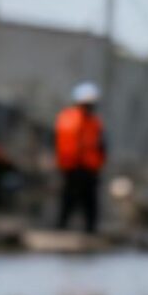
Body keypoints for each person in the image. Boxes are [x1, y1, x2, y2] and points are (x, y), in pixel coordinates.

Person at [54, 81, 107, 234]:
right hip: (74, 167)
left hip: (87, 167)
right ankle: (62, 228)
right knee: (70, 199)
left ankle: (88, 230)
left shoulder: (93, 122)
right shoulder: (71, 119)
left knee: (88, 202)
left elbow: (101, 144)